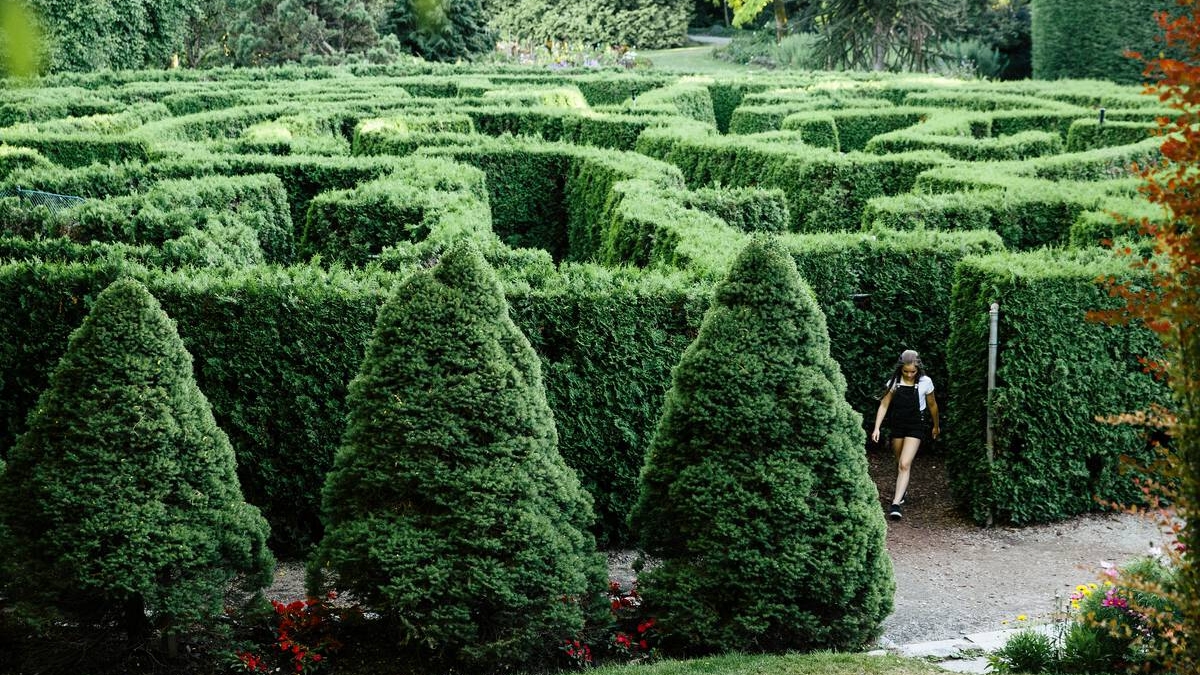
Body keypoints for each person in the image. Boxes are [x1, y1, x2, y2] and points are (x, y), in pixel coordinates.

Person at [871, 349, 939, 521]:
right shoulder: (894, 382)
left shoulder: (925, 382)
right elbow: (884, 405)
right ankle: (903, 489)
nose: (909, 374)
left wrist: (936, 426)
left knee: (905, 463)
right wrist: (877, 427)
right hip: (898, 424)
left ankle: (895, 504)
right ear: (900, 368)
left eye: (913, 371)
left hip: (916, 425)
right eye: (906, 371)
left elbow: (933, 406)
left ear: (918, 368)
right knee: (899, 461)